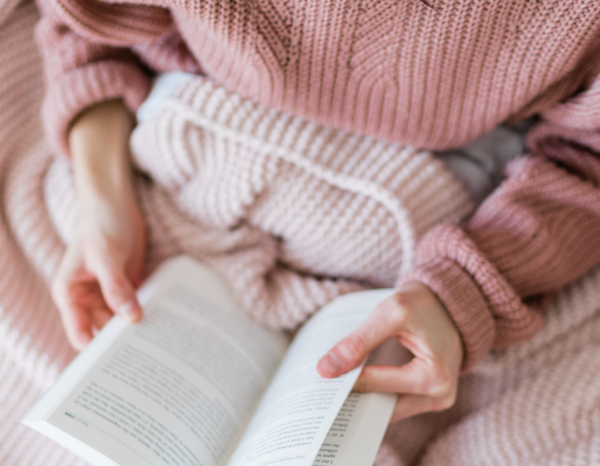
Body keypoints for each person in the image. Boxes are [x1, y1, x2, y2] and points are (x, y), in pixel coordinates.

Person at [36, 0, 600, 425]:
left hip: (433, 209)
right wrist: (100, 198)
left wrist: (463, 294)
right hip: (162, 133)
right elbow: (83, 27)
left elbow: (587, 158)